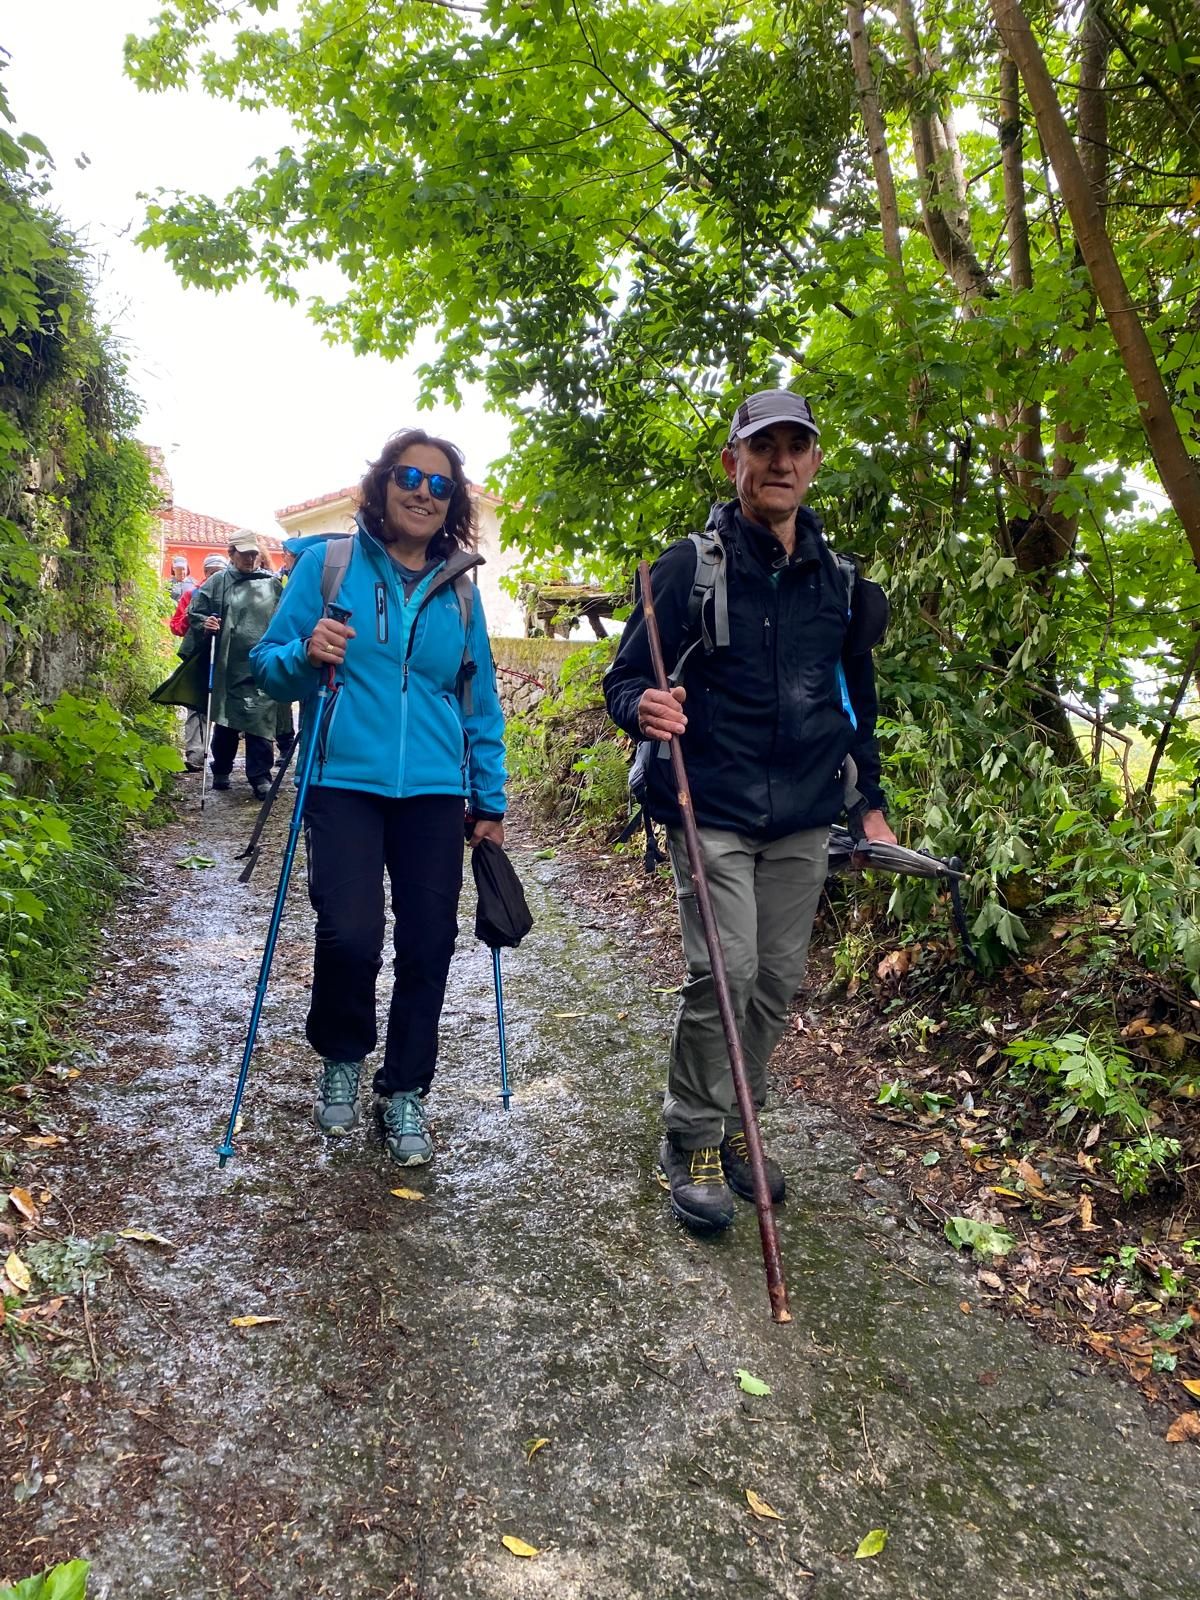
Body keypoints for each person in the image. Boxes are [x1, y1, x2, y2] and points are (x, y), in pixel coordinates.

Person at [603, 388, 896, 1233]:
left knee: (775, 980)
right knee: (725, 977)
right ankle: (691, 1137)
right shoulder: (689, 566)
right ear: (734, 463)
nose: (779, 463)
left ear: (812, 463)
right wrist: (644, 709)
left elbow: (855, 704)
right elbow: (625, 679)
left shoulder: (838, 580)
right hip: (713, 807)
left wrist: (869, 806)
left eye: (794, 447)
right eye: (761, 447)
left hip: (805, 811)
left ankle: (737, 1122)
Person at [251, 429, 507, 1168]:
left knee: (429, 943)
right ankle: (342, 1055)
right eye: (409, 477)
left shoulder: (461, 587)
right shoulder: (329, 566)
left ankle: (405, 1092)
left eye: (440, 485)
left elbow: (479, 700)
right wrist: (304, 656)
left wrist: (488, 803)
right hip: (343, 783)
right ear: (382, 484)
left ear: (451, 501)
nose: (423, 493)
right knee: (349, 936)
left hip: (434, 789)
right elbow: (267, 669)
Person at [185, 534, 281, 800]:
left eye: (254, 554)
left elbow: (285, 617)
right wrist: (206, 623)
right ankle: (222, 769)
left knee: (261, 717)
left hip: (261, 661)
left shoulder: (272, 584)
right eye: (244, 554)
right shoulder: (218, 582)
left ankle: (260, 776)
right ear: (232, 554)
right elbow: (195, 612)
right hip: (228, 662)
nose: (250, 559)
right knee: (227, 717)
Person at [174, 553, 226, 770]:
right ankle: (195, 754)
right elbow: (176, 626)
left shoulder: (233, 594)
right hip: (197, 655)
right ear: (205, 573)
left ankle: (218, 755)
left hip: (224, 656)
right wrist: (194, 617)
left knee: (221, 703)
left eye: (219, 572)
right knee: (197, 705)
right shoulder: (191, 594)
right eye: (211, 572)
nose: (215, 576)